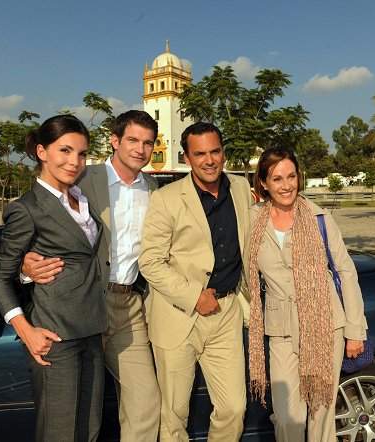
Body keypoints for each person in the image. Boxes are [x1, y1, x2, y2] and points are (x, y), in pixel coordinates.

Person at [21, 110, 161, 441]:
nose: (139, 150)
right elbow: (32, 224)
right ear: (115, 141)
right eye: (132, 140)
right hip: (82, 306)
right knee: (77, 416)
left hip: (129, 308)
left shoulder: (154, 188)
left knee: (146, 403)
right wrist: (24, 267)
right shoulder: (81, 177)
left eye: (147, 143)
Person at [0, 115, 106, 442]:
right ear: (42, 151)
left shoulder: (82, 199)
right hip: (55, 337)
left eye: (82, 154)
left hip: (94, 329)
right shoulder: (27, 208)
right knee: (60, 432)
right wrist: (25, 330)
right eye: (65, 151)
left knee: (89, 430)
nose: (75, 162)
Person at [138, 122, 252, 441]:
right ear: (187, 158)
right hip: (177, 316)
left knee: (233, 408)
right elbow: (150, 261)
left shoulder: (241, 188)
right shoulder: (166, 199)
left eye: (215, 151)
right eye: (199, 153)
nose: (209, 160)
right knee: (173, 415)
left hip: (226, 312)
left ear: (223, 153)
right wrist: (193, 295)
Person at [247, 147, 367, 441]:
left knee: (321, 415)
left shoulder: (320, 218)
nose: (286, 185)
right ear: (263, 182)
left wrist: (355, 330)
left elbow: (346, 272)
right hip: (281, 330)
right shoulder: (251, 220)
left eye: (291, 176)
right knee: (289, 418)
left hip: (325, 327)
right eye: (277, 179)